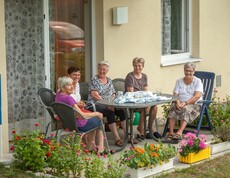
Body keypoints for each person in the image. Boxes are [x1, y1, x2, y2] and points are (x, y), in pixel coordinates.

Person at [88, 60, 137, 147]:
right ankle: (117, 138)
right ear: (97, 69)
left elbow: (113, 94)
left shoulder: (109, 80)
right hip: (96, 105)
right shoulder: (94, 79)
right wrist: (107, 104)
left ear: (107, 71)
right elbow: (95, 95)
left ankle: (128, 136)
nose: (102, 71)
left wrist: (112, 103)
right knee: (110, 113)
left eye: (104, 70)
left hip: (109, 104)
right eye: (100, 69)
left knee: (122, 112)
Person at [55, 76, 107, 154]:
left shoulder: (58, 96)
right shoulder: (69, 99)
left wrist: (76, 105)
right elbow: (83, 115)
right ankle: (100, 148)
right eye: (69, 85)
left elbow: (68, 107)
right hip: (77, 125)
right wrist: (97, 113)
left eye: (72, 84)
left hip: (66, 124)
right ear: (62, 88)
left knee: (93, 119)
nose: (72, 86)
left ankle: (91, 146)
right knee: (98, 119)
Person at [125, 57, 161, 140]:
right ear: (133, 66)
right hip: (132, 102)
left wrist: (148, 96)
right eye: (135, 66)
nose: (137, 68)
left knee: (154, 107)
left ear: (143, 66)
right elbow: (131, 93)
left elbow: (146, 90)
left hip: (142, 101)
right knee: (147, 107)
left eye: (139, 66)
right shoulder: (130, 76)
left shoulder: (144, 76)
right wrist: (143, 97)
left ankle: (149, 128)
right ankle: (141, 129)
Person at [166, 62, 203, 140]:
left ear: (194, 71)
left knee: (186, 109)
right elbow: (175, 94)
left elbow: (197, 96)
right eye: (186, 70)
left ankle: (179, 132)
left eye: (190, 71)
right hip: (180, 103)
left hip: (194, 105)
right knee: (172, 107)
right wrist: (178, 102)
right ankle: (171, 132)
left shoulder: (197, 81)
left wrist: (186, 103)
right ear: (184, 70)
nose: (188, 72)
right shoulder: (179, 81)